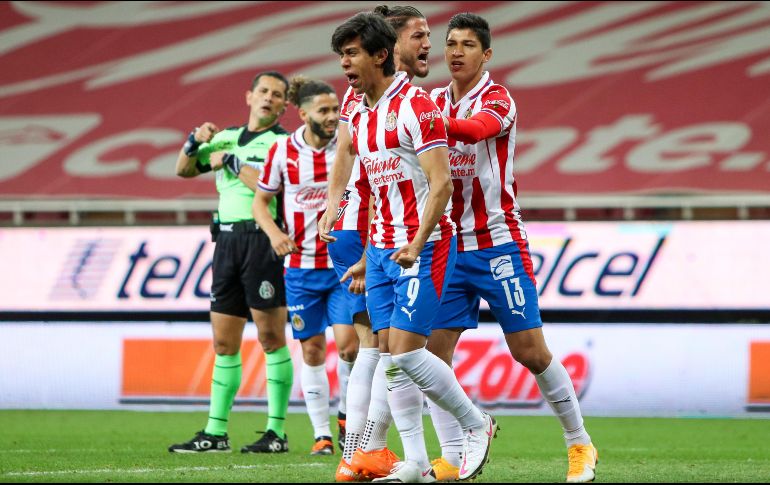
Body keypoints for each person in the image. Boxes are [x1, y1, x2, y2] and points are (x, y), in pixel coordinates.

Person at [428, 13, 598, 483]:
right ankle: (452, 453)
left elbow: (476, 130)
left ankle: (579, 444)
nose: (456, 51)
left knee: (530, 352)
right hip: (447, 245)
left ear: (487, 54)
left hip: (497, 242)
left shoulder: (498, 99)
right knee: (430, 357)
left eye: (467, 44)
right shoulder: (435, 99)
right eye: (450, 43)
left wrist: (420, 121)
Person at [330, 12, 497, 483]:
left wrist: (416, 242)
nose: (345, 64)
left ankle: (474, 422)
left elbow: (441, 183)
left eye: (352, 54)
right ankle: (416, 462)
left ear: (380, 55)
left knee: (404, 353)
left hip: (423, 246)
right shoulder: (360, 112)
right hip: (381, 250)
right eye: (342, 55)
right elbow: (374, 188)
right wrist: (365, 252)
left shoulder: (417, 106)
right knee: (388, 355)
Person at [318, 4, 434, 481]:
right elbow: (350, 155)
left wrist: (333, 206)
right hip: (374, 224)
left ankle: (362, 452)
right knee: (384, 346)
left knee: (374, 345)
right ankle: (365, 450)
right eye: (419, 36)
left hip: (362, 222)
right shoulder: (372, 100)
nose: (428, 44)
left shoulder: (383, 100)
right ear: (392, 46)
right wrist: (337, 204)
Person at [168, 72, 294, 454]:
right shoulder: (223, 137)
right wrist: (194, 142)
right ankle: (216, 432)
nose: (268, 98)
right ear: (249, 96)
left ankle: (276, 432)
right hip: (225, 242)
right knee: (224, 342)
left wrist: (236, 163)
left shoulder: (285, 144)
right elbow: (184, 169)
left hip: (262, 240)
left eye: (277, 94)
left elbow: (272, 188)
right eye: (263, 91)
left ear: (285, 105)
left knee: (271, 337)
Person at [253, 76, 359, 456]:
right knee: (312, 351)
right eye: (325, 110)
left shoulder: (348, 147)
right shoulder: (283, 151)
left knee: (350, 347)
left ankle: (348, 418)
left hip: (342, 267)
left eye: (336, 109)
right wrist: (273, 233)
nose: (333, 116)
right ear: (303, 114)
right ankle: (321, 435)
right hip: (299, 269)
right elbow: (260, 202)